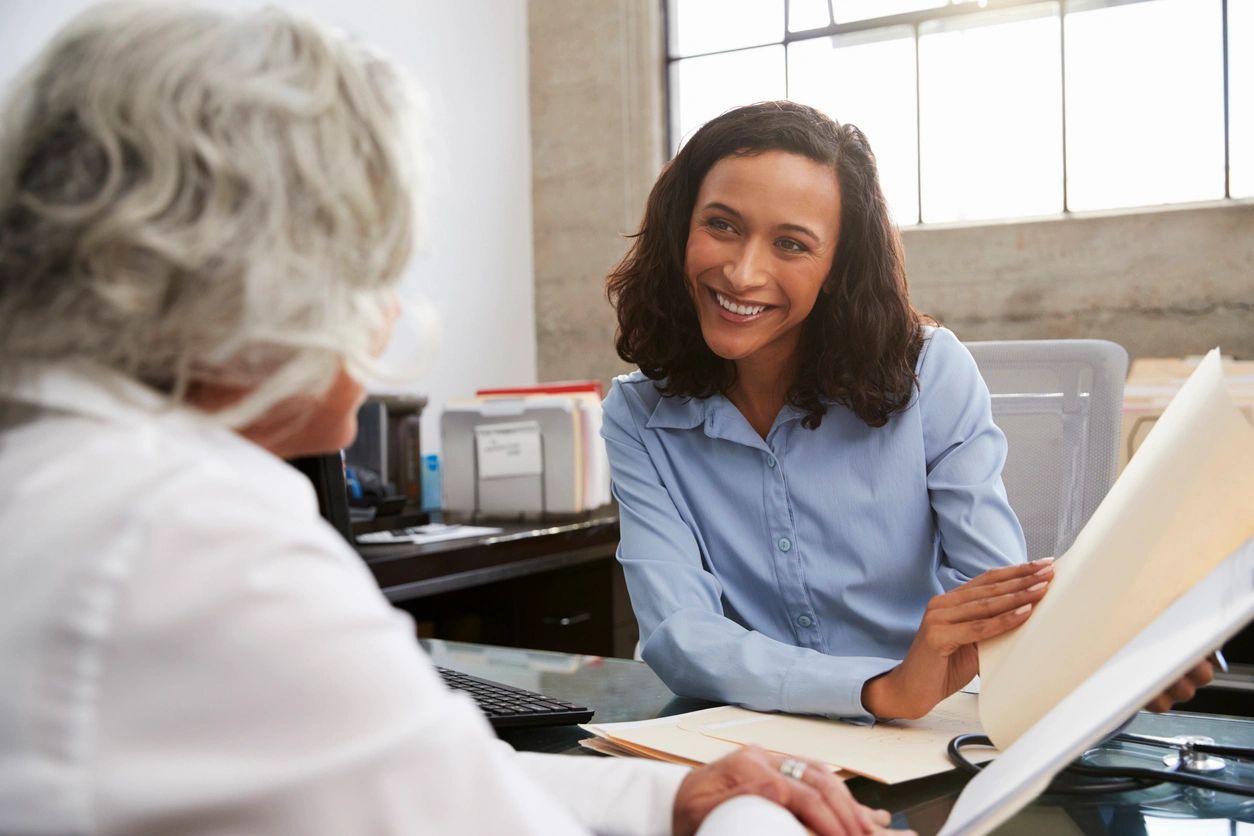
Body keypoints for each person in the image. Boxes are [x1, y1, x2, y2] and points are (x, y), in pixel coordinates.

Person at [0, 7, 903, 836]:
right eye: (381, 264)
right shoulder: (200, 540)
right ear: (264, 280)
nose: (389, 312)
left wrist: (675, 793)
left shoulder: (73, 471)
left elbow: (442, 776)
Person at [603, 101, 1212, 723]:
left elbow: (996, 593)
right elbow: (679, 634)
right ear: (683, 227)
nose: (743, 271)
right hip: (747, 733)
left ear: (837, 268)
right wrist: (877, 688)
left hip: (931, 729)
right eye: (723, 226)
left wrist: (1108, 651)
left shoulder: (928, 372)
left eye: (791, 243)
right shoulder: (637, 415)